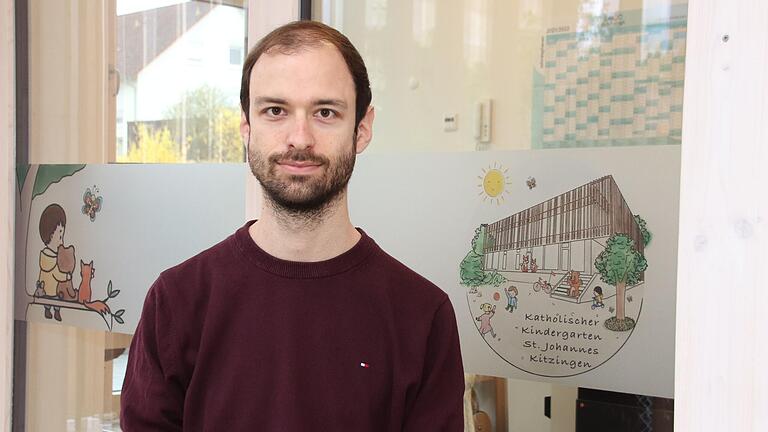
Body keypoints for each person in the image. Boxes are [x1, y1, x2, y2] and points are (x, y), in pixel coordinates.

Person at [120, 21, 464, 431]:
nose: (299, 138)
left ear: (363, 128)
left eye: (325, 112)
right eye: (275, 111)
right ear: (247, 127)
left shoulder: (423, 317)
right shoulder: (176, 303)